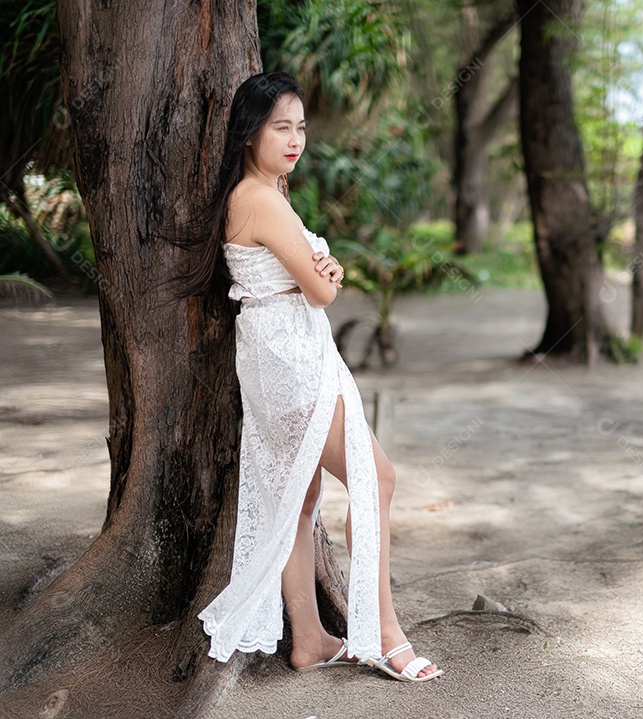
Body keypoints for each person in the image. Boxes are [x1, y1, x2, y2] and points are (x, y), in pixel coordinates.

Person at [177, 71, 441, 682]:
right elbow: (320, 289)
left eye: (300, 126)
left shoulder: (264, 193)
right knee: (376, 478)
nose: (295, 138)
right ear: (250, 133)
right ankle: (384, 635)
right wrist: (327, 273)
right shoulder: (260, 198)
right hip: (290, 360)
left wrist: (320, 272)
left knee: (298, 498)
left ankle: (310, 639)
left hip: (280, 352)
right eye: (280, 126)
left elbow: (308, 279)